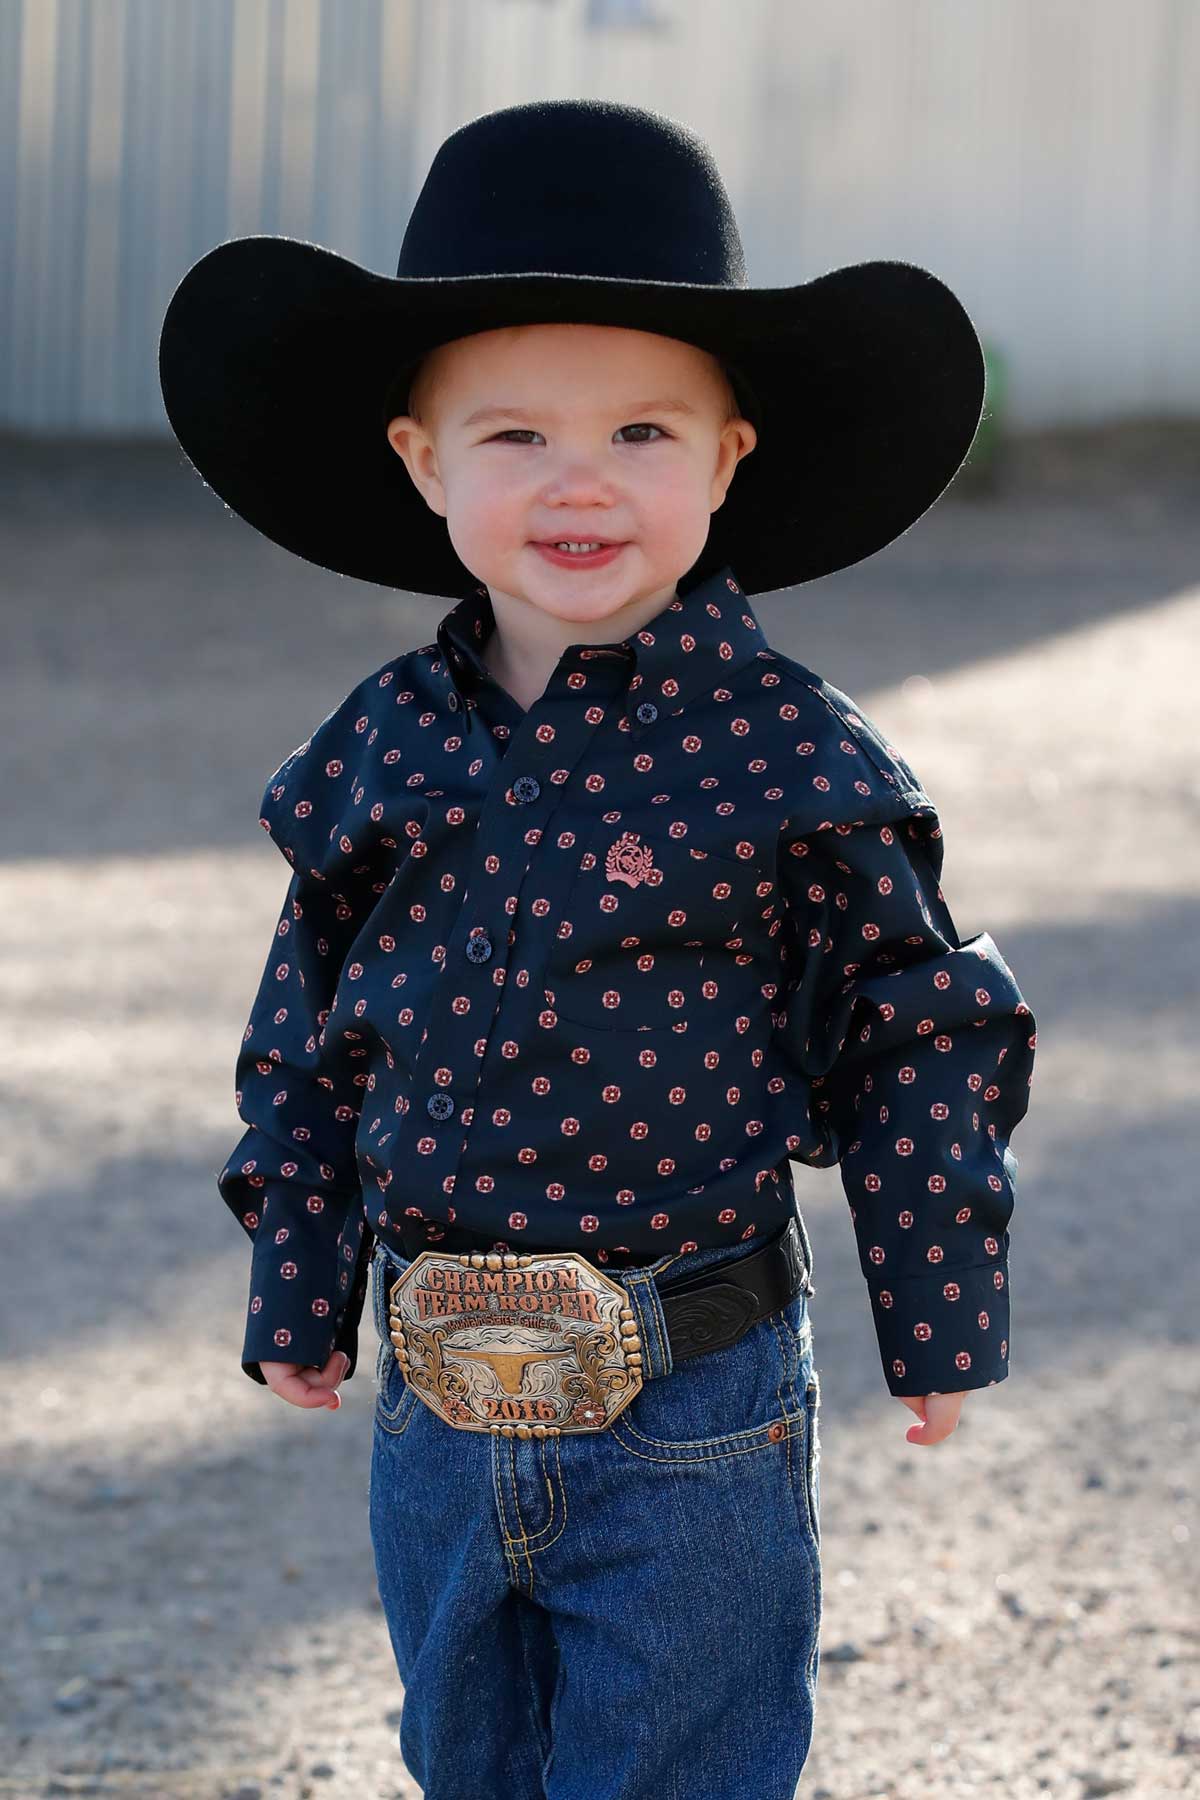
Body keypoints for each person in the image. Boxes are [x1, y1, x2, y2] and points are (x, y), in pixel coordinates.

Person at [159, 98, 1037, 1800]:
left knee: (675, 1766)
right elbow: (310, 1035)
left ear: (729, 459)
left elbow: (915, 1027)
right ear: (423, 461)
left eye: (643, 429)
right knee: (469, 1758)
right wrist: (300, 1276)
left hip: (690, 1403)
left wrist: (939, 1305)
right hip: (436, 1398)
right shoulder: (379, 751)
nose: (580, 480)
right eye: (515, 435)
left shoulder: (791, 757)